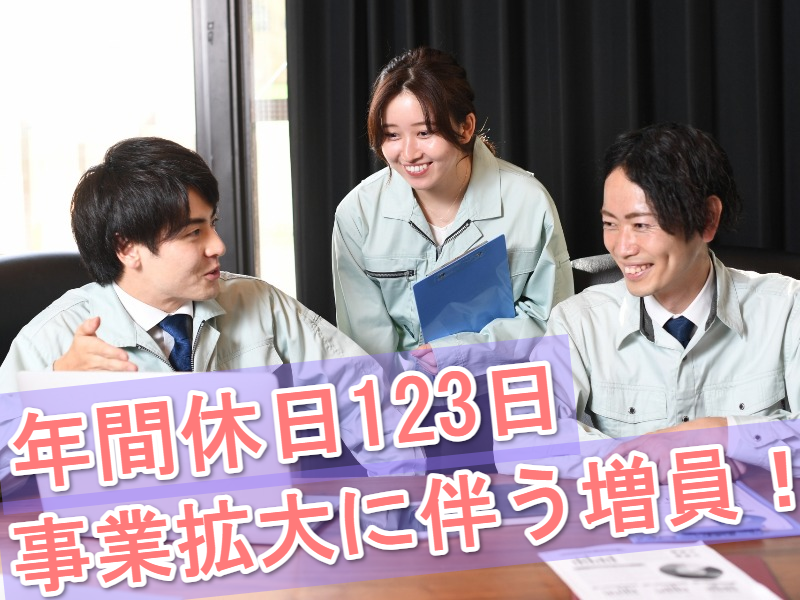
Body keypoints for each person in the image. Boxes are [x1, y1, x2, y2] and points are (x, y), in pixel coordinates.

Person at [0, 137, 422, 497]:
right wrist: (51, 389)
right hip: (130, 547)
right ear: (127, 248)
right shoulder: (51, 340)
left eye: (212, 224)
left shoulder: (258, 302)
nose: (218, 245)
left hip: (259, 537)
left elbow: (369, 399)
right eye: (193, 232)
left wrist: (401, 502)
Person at [538, 122, 800, 479]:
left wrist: (716, 434)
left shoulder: (787, 308)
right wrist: (651, 460)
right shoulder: (577, 321)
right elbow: (527, 443)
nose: (622, 248)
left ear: (707, 219)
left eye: (642, 225)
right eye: (610, 224)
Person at [332, 47, 574, 366]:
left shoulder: (529, 203)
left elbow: (551, 323)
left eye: (425, 132)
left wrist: (463, 353)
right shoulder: (357, 214)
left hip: (506, 384)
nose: (409, 153)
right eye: (392, 135)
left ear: (465, 127)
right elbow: (365, 348)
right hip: (400, 391)